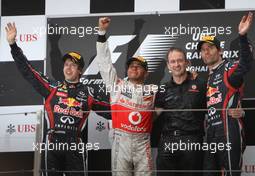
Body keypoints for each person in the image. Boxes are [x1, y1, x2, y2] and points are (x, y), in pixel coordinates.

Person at [5, 22, 108, 176]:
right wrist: (13, 45)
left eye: (73, 65)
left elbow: (112, 110)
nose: (68, 68)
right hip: (53, 141)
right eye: (66, 64)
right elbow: (28, 70)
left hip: (75, 143)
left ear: (80, 70)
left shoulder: (88, 92)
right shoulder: (52, 87)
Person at [96, 17, 156, 176]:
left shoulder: (154, 90)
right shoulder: (117, 85)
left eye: (139, 66)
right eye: (131, 66)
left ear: (146, 73)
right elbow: (104, 63)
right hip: (120, 141)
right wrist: (102, 33)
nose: (134, 68)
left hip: (143, 143)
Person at [197, 12, 253, 176]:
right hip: (211, 134)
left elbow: (245, 64)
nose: (206, 52)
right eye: (203, 50)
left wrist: (242, 36)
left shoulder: (229, 69)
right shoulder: (209, 76)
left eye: (210, 48)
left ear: (220, 51)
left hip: (229, 131)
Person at [155, 47, 207, 176]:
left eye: (180, 60)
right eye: (172, 61)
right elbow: (155, 114)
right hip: (167, 140)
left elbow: (216, 107)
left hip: (192, 140)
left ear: (187, 62)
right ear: (168, 65)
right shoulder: (163, 89)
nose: (176, 65)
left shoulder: (201, 85)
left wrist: (238, 110)